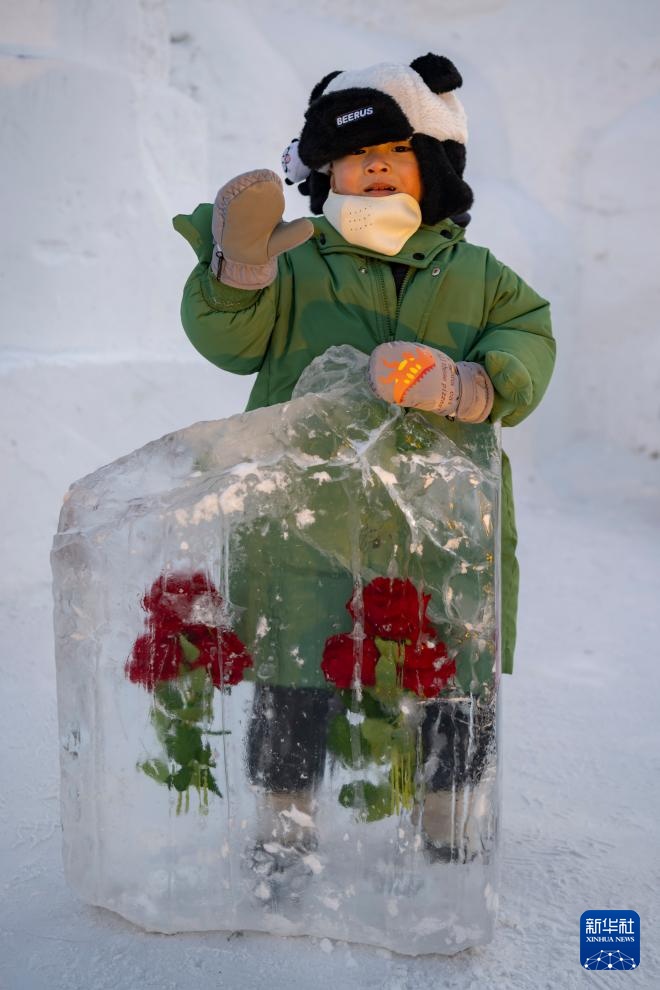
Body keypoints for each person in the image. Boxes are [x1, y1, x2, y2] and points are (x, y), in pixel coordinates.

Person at [174, 54, 555, 878]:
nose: (375, 165)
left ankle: (451, 823)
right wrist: (241, 273)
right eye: (354, 154)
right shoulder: (297, 263)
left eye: (397, 149)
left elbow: (530, 336)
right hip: (302, 516)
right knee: (294, 670)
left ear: (437, 167)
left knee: (452, 665)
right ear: (322, 171)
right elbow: (230, 344)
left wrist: (470, 384)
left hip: (445, 521)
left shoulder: (480, 275)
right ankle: (285, 825)